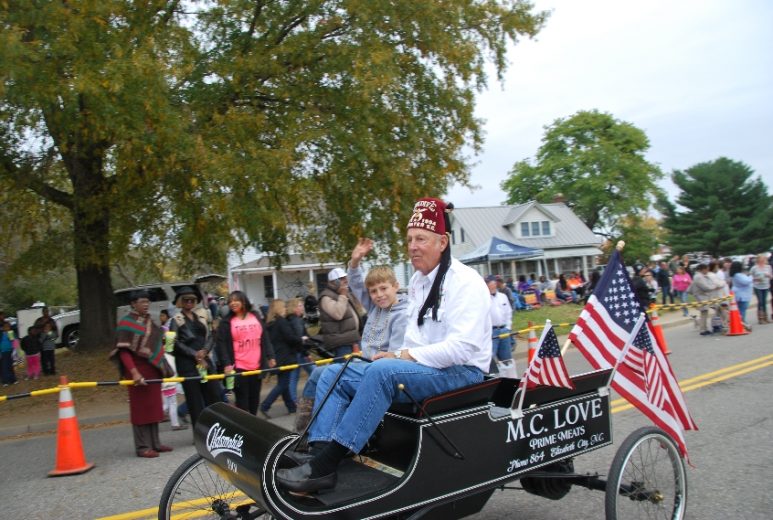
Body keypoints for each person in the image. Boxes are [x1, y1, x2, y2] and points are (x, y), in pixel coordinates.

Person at [276, 197, 491, 493]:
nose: (412, 246)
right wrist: (398, 355)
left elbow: (463, 348)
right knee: (335, 372)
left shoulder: (466, 282)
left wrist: (402, 356)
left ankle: (327, 464)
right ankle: (318, 453)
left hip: (461, 372)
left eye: (421, 239)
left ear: (443, 242)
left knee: (384, 371)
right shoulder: (418, 281)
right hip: (424, 368)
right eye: (410, 239)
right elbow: (415, 339)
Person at [293, 239, 410, 444]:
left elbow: (395, 356)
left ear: (396, 286)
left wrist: (375, 361)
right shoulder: (376, 307)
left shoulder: (402, 315)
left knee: (329, 374)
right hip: (364, 363)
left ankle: (323, 440)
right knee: (316, 375)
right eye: (373, 292)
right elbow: (356, 283)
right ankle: (303, 432)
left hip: (381, 370)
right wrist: (354, 262)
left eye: (384, 289)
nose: (379, 295)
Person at [109, 290, 174, 457]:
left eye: (147, 301)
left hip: (152, 369)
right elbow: (123, 351)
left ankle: (155, 443)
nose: (146, 304)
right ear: (133, 304)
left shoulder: (149, 322)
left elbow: (155, 345)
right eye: (142, 301)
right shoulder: (126, 323)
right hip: (136, 371)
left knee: (154, 407)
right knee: (140, 409)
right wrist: (134, 372)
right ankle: (142, 446)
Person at [215, 291, 276, 416]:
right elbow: (221, 344)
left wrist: (270, 356)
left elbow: (264, 337)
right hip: (239, 368)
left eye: (236, 300)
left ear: (243, 301)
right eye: (230, 301)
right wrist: (226, 364)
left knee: (254, 401)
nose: (232, 303)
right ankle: (243, 430)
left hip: (256, 367)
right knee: (243, 403)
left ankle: (252, 427)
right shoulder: (226, 322)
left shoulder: (255, 316)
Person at [169, 286, 222, 428]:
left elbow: (212, 335)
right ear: (180, 302)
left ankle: (216, 430)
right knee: (194, 401)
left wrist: (204, 351)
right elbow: (174, 343)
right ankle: (200, 434)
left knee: (214, 396)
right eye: (185, 300)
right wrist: (195, 355)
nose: (189, 303)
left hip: (205, 361)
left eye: (192, 300)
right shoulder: (176, 320)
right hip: (187, 365)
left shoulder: (203, 316)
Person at [259, 300, 302, 418]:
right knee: (283, 384)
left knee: (284, 383)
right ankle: (265, 405)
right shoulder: (281, 322)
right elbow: (290, 337)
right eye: (283, 306)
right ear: (279, 308)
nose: (285, 308)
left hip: (277, 356)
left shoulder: (269, 323)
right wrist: (301, 339)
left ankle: (291, 407)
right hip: (285, 356)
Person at [318, 268, 364, 359]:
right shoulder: (326, 297)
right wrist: (343, 296)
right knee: (343, 369)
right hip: (341, 343)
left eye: (345, 277)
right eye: (342, 278)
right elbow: (338, 314)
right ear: (334, 282)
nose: (345, 280)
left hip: (352, 338)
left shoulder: (344, 293)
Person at [286, 297, 313, 406]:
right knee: (315, 372)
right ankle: (309, 396)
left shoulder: (292, 320)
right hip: (300, 353)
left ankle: (293, 400)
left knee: (294, 378)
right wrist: (306, 353)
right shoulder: (297, 321)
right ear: (295, 308)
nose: (302, 308)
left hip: (294, 353)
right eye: (300, 306)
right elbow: (300, 339)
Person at [486, 274, 514, 375]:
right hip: (492, 333)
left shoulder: (503, 297)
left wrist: (508, 327)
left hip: (504, 331)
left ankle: (510, 380)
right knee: (490, 360)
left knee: (506, 360)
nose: (491, 285)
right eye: (489, 283)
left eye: (493, 283)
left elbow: (508, 313)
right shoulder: (483, 299)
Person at [689, 263, 723, 336]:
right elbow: (705, 287)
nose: (707, 271)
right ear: (703, 269)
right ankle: (703, 329)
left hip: (704, 296)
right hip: (701, 296)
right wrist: (715, 287)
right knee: (704, 313)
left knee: (705, 312)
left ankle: (704, 328)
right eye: (706, 269)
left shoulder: (700, 276)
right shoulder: (698, 277)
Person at [729, 261, 753, 329]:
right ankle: (741, 323)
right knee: (742, 309)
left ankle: (741, 322)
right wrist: (751, 277)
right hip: (742, 295)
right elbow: (746, 281)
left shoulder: (737, 274)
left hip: (742, 293)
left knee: (741, 309)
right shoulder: (737, 275)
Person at [750, 253, 772, 324]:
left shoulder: (768, 267)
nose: (762, 260)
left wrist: (768, 275)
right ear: (758, 260)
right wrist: (756, 279)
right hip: (758, 286)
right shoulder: (754, 268)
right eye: (761, 259)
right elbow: (750, 277)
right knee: (760, 302)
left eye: (764, 259)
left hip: (766, 286)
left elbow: (771, 276)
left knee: (764, 302)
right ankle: (760, 318)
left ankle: (766, 317)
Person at [1, 322, 18, 386]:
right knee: (4, 367)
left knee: (11, 366)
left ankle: (13, 379)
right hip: (3, 352)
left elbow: (15, 342)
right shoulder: (1, 334)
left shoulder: (12, 333)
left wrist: (15, 351)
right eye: (5, 327)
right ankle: (5, 381)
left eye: (8, 326)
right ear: (2, 328)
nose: (7, 328)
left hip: (11, 352)